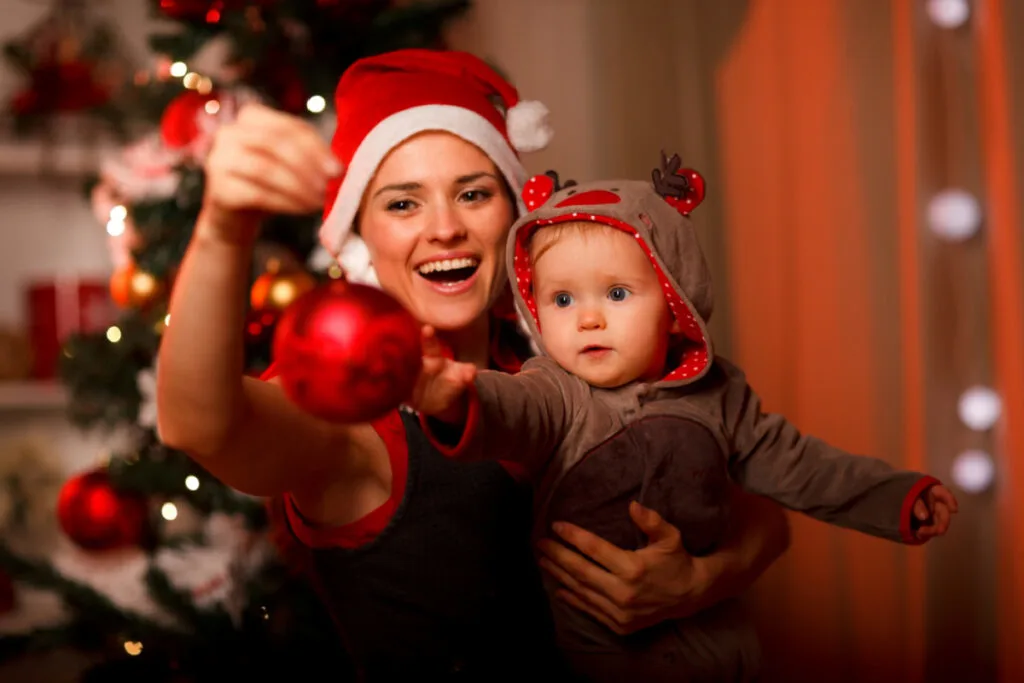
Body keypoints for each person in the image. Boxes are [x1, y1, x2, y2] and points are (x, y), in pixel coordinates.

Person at [156, 49, 790, 681]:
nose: (444, 229)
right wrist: (222, 231)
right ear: (360, 233)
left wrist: (700, 580)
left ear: (515, 214)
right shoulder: (354, 423)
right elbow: (200, 426)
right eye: (403, 204)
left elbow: (762, 514)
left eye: (473, 194)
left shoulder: (576, 355)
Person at [411, 157, 960, 682]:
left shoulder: (720, 395)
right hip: (606, 663)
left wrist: (897, 498)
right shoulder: (556, 393)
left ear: (675, 308)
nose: (588, 318)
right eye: (561, 299)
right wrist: (452, 397)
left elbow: (802, 466)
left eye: (618, 293)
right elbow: (509, 408)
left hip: (722, 646)